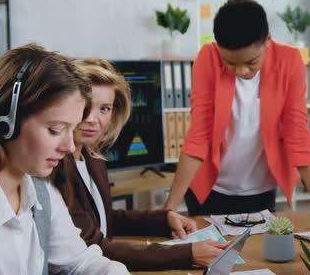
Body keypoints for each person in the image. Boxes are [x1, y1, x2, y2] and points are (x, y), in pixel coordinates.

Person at [163, 0, 310, 215]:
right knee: (209, 248)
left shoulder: (289, 61)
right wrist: (168, 209)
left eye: (251, 62)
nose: (241, 71)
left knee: (257, 248)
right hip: (208, 189)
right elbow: (199, 136)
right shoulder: (208, 58)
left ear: (267, 41)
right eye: (231, 63)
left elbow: (297, 133)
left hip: (260, 190)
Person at [53, 59, 228, 271]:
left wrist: (164, 219)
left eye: (105, 109)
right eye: (86, 107)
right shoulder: (56, 166)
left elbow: (104, 219)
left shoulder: (91, 159)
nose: (93, 119)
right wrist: (186, 253)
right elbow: (94, 246)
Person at [0, 44, 128, 274]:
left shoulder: (41, 193)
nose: (69, 147)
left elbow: (81, 263)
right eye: (56, 129)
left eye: (72, 129)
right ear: (6, 122)